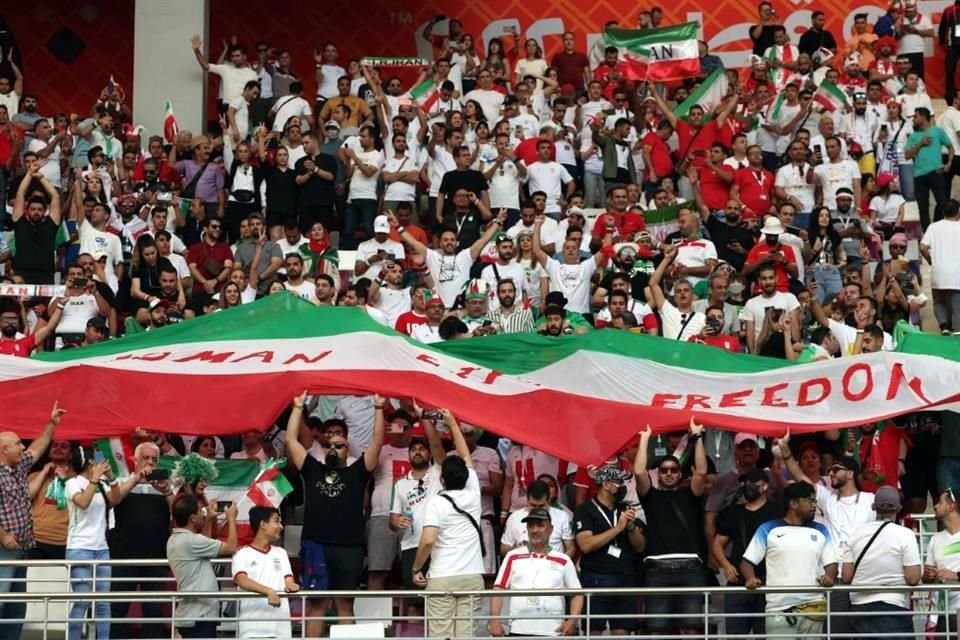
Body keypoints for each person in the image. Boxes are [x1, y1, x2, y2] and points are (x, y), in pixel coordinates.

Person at [284, 391, 384, 637]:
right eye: (329, 444)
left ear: (347, 448)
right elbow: (290, 440)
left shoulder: (358, 471)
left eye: (339, 445)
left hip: (349, 547)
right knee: (317, 604)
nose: (333, 448)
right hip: (316, 544)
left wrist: (379, 409)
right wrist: (298, 408)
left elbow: (377, 444)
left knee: (344, 604)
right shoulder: (312, 468)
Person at [779, 430, 875, 634]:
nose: (830, 473)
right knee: (836, 632)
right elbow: (798, 475)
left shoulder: (870, 499)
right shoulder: (828, 498)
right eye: (830, 470)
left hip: (866, 577)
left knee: (866, 633)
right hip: (838, 577)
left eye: (836, 470)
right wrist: (786, 450)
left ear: (850, 474)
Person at [411, 408, 484, 639]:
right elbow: (465, 457)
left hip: (442, 576)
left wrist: (416, 568)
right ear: (466, 476)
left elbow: (428, 540)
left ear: (442, 479)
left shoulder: (437, 502)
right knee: (466, 636)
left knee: (440, 635)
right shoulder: (474, 492)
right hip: (472, 576)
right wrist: (452, 423)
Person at [635, 420, 709, 636]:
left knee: (692, 629)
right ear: (658, 474)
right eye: (664, 470)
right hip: (657, 570)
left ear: (680, 474)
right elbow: (639, 472)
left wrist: (697, 438)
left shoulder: (690, 495)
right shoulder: (651, 496)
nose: (668, 473)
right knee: (656, 630)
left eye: (673, 470)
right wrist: (644, 439)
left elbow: (702, 473)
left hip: (690, 569)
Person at [0, 402, 66, 640]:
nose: (23, 447)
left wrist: (52, 423)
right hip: (2, 548)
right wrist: (3, 535)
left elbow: (38, 447)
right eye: (17, 444)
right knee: (2, 601)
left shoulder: (17, 468)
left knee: (16, 605)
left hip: (21, 547)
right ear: (4, 450)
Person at [741, 481, 838, 639]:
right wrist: (750, 578)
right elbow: (747, 562)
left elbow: (831, 563)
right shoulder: (768, 529)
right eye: (810, 501)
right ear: (793, 503)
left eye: (815, 501)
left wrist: (829, 577)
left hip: (814, 607)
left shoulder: (821, 530)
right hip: (778, 609)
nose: (814, 506)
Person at [489, 508, 584, 637]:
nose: (535, 530)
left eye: (540, 525)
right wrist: (495, 621)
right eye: (531, 525)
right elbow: (498, 589)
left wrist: (572, 621)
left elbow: (577, 593)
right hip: (518, 630)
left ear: (551, 529)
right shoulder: (512, 556)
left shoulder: (563, 559)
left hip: (554, 631)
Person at [712, 468, 783, 637]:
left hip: (769, 584)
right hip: (738, 584)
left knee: (766, 635)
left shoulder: (777, 512)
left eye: (752, 482)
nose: (747, 486)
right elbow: (717, 543)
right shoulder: (734, 512)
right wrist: (726, 565)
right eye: (745, 482)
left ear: (764, 486)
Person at [841, 486, 921, 637]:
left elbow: (846, 577)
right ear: (899, 508)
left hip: (859, 611)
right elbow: (913, 578)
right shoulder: (906, 535)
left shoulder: (856, 534)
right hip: (893, 608)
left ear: (873, 507)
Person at [168, 495, 239, 638]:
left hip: (193, 615)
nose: (204, 512)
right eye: (201, 511)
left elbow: (204, 543)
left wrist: (209, 520)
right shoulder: (191, 541)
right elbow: (231, 547)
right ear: (193, 517)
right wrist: (231, 518)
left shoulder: (177, 538)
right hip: (199, 617)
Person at [232, 506, 300, 639]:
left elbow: (288, 580)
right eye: (276, 521)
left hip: (280, 630)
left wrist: (292, 585)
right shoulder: (242, 553)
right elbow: (241, 580)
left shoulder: (281, 553)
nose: (281, 526)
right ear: (263, 524)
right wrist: (268, 591)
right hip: (252, 630)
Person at [500, 479, 575, 557]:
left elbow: (571, 548)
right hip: (523, 564)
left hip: (553, 565)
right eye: (533, 505)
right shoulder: (514, 518)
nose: (537, 509)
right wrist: (515, 550)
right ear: (527, 500)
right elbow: (503, 548)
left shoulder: (562, 517)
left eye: (541, 506)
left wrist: (561, 563)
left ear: (549, 500)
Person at [906, 107, 953, 229]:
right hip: (919, 175)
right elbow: (907, 155)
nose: (913, 119)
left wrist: (948, 163)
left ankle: (942, 227)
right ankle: (927, 232)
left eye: (915, 116)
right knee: (923, 206)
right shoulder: (913, 136)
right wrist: (920, 143)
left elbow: (950, 147)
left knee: (942, 202)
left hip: (936, 172)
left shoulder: (937, 131)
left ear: (922, 117)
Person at [924, 487, 960, 635]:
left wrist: (956, 576)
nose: (935, 506)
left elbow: (953, 575)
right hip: (941, 612)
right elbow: (926, 578)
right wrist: (928, 576)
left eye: (940, 502)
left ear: (951, 507)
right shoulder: (935, 539)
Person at [921, 199, 960, 333]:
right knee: (957, 303)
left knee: (939, 301)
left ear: (943, 212)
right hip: (957, 273)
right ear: (958, 211)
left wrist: (931, 260)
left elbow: (923, 247)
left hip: (939, 271)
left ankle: (944, 326)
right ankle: (957, 330)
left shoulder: (933, 227)